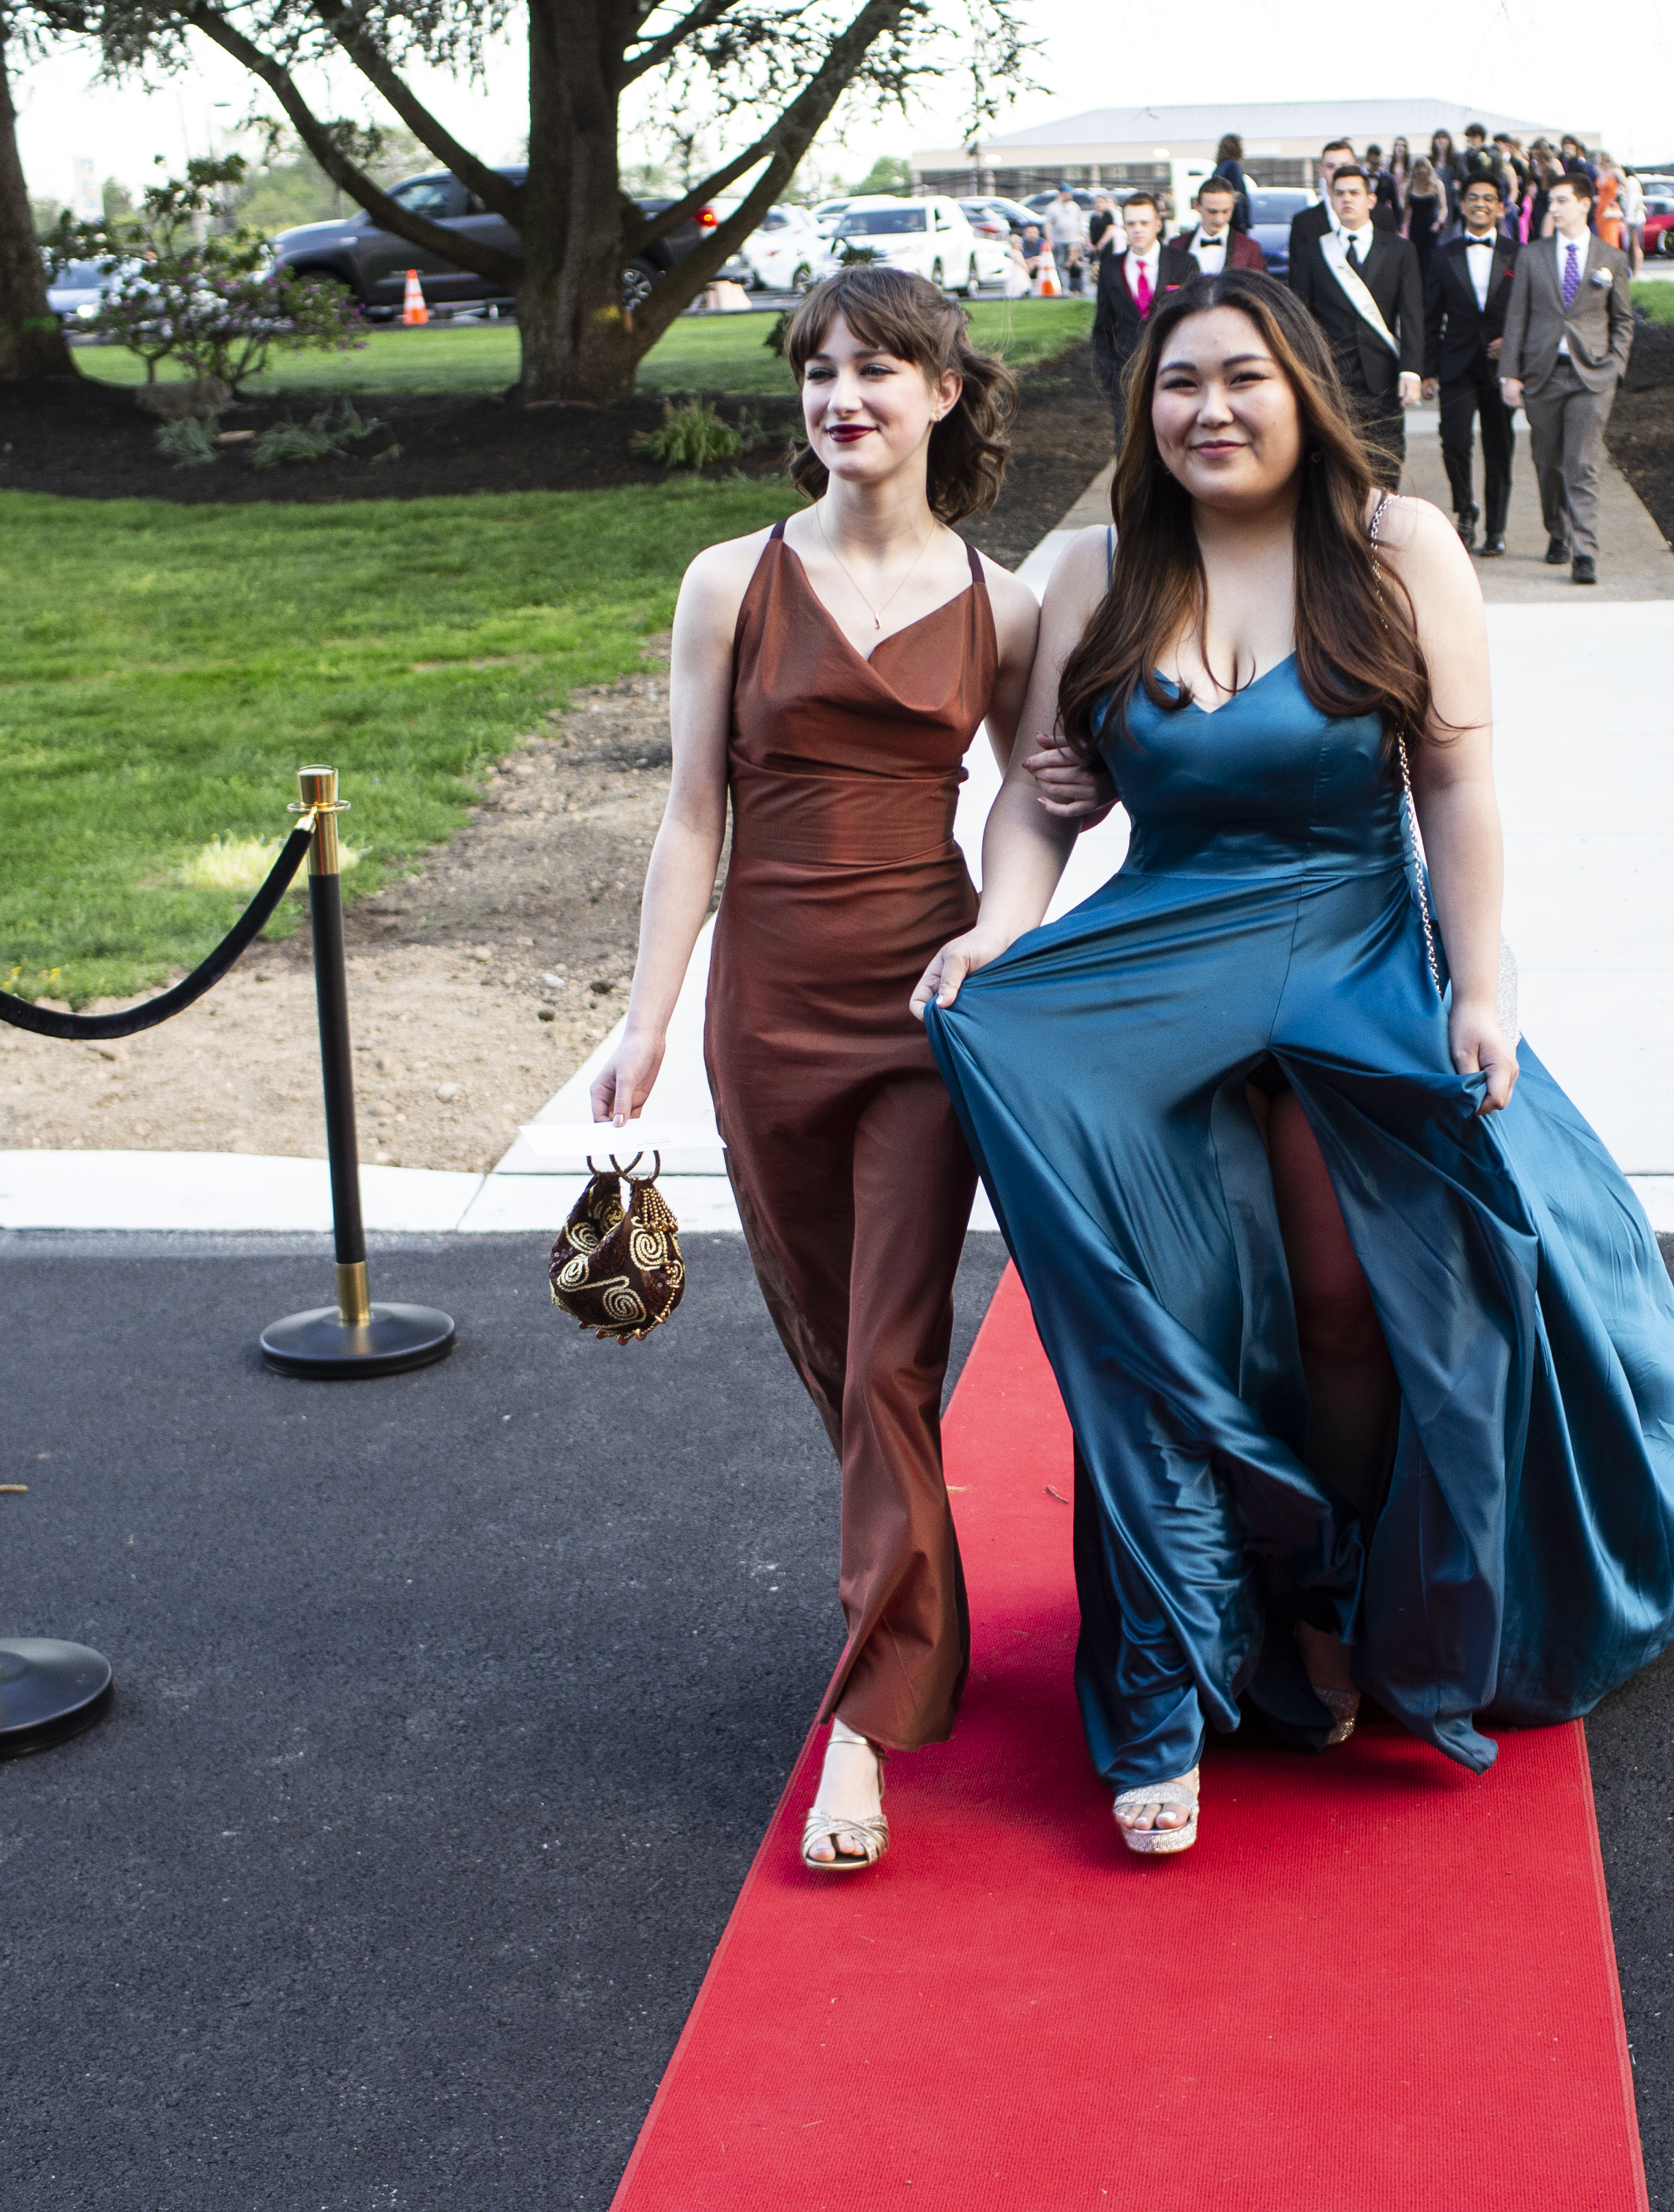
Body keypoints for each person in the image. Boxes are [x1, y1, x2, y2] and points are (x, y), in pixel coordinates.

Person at [912, 269, 1674, 1856]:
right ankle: (1202, 1626)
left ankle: (1350, 1596)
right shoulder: (1089, 565)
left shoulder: (1395, 546)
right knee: (1166, 1304)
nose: (1208, 410)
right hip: (1157, 954)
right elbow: (1037, 796)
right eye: (1177, 385)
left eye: (1240, 379)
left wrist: (1481, 982)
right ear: (1138, 410)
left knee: (1348, 1299)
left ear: (1301, 393)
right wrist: (1000, 933)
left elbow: (1453, 780)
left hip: (1351, 947)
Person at [592, 265, 1041, 1877]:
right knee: (825, 1336)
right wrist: (645, 1019)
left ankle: (865, 1719)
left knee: (887, 1357)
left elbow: (1024, 797)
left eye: (878, 367)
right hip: (764, 1005)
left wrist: (1000, 929)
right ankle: (917, 1598)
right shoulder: (729, 582)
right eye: (820, 370)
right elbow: (689, 816)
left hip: (920, 1010)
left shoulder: (1005, 605)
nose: (842, 395)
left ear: (941, 392)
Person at [1503, 174, 1632, 587]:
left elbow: (1624, 320)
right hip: (1542, 373)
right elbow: (1517, 316)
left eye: (1561, 201)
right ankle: (1556, 531)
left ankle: (1584, 551)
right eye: (1550, 202)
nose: (1552, 209)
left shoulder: (1611, 258)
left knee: (1582, 463)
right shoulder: (1532, 256)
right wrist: (1510, 373)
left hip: (1592, 375)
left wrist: (1616, 366)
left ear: (1584, 204)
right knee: (1547, 464)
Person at [1286, 162, 1425, 485]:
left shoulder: (1400, 250)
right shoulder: (1312, 253)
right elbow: (1302, 319)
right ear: (1331, 200)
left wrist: (1412, 370)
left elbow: (1412, 314)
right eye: (1340, 193)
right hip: (1332, 378)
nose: (1347, 199)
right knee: (1336, 469)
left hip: (1385, 376)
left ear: (1371, 200)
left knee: (1387, 463)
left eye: (1355, 193)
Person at [1425, 172, 1517, 555]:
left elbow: (1530, 313)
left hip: (1499, 367)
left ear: (1501, 207)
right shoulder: (1442, 256)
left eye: (1489, 199)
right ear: (1462, 206)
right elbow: (1429, 317)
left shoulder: (1519, 255)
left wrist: (1512, 346)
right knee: (1455, 443)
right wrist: (1426, 369)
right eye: (1473, 198)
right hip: (1457, 363)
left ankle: (1496, 529)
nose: (1481, 204)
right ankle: (1465, 509)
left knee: (1499, 448)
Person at [1090, 190, 1182, 447]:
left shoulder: (1182, 264)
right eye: (1131, 224)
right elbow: (1102, 326)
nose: (1138, 230)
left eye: (1144, 223)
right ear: (1123, 226)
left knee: (1174, 448)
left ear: (1158, 224)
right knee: (1130, 449)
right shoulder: (1110, 268)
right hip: (1125, 379)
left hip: (1173, 376)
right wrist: (1110, 375)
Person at [1179, 174, 1268, 277]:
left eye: (1225, 212)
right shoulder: (1176, 245)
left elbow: (1260, 290)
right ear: (1197, 206)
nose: (1219, 219)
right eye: (1212, 212)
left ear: (1233, 206)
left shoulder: (1249, 248)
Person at [1044, 186, 1088, 294]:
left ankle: (1078, 288)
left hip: (1074, 240)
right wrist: (1049, 239)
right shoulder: (1052, 207)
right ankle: (1063, 289)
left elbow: (1079, 222)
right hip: (1059, 241)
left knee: (1077, 265)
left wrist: (1081, 236)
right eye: (1069, 193)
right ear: (1062, 193)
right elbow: (1048, 224)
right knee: (1060, 265)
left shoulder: (1074, 206)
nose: (1071, 195)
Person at [1208, 132, 1254, 234]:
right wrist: (1242, 222)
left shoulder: (1219, 168)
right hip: (1235, 221)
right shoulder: (1233, 166)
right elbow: (1237, 197)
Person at [1403, 157, 1447, 247]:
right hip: (1415, 229)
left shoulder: (1437, 185)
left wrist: (1439, 223)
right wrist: (1402, 230)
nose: (1421, 177)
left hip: (1432, 228)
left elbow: (1443, 208)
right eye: (1418, 174)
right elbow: (1405, 211)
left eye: (1424, 174)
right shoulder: (1409, 187)